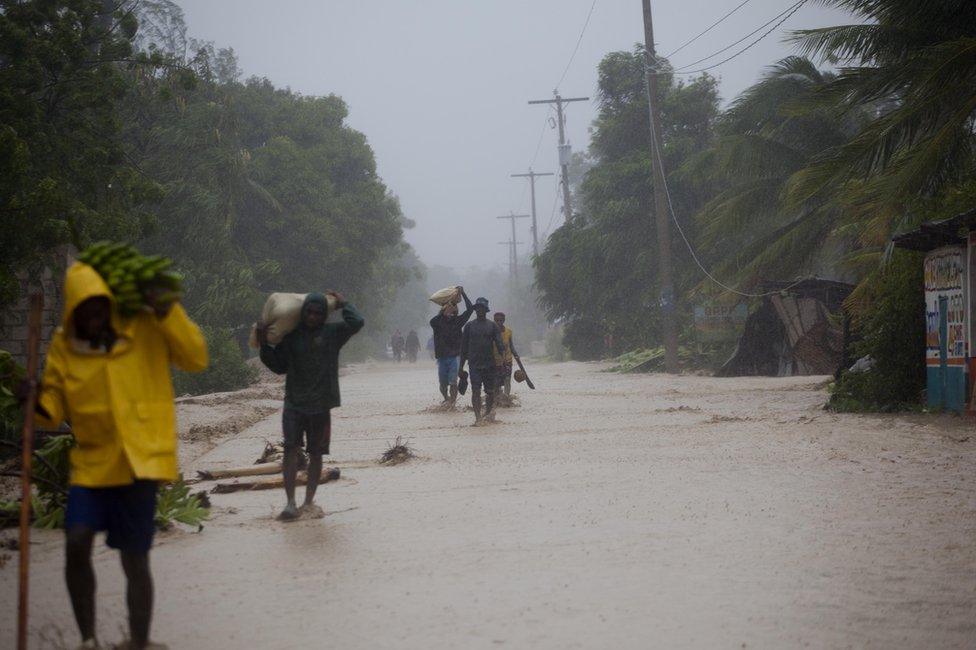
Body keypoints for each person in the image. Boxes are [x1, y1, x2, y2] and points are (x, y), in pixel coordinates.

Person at [33, 261, 208, 650]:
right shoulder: (65, 344)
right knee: (76, 540)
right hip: (92, 466)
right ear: (73, 311)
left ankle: (140, 641)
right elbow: (51, 412)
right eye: (84, 310)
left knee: (135, 558)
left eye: (99, 308)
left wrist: (167, 310)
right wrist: (31, 398)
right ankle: (88, 639)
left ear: (110, 305)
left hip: (139, 463)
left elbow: (196, 358)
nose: (93, 317)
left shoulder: (145, 327)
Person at [257, 292, 364, 521]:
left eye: (318, 313)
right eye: (309, 312)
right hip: (294, 404)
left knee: (316, 454)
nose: (313, 317)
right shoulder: (291, 337)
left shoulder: (333, 333)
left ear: (324, 315)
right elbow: (278, 366)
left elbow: (357, 322)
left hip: (321, 406)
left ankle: (308, 502)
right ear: (303, 312)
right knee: (289, 450)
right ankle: (290, 503)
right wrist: (264, 344)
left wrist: (344, 303)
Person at [459, 297, 506, 424]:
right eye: (477, 308)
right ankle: (477, 417)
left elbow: (500, 345)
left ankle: (487, 414)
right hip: (474, 364)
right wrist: (460, 368)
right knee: (475, 390)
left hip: (490, 364)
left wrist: (503, 362)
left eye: (482, 308)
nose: (479, 310)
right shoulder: (469, 327)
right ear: (475, 310)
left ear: (486, 310)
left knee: (490, 392)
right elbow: (463, 349)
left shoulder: (492, 326)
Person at [429, 288, 474, 404]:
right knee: (443, 384)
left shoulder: (458, 321)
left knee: (453, 382)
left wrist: (463, 293)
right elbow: (432, 321)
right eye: (448, 308)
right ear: (443, 310)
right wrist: (443, 311)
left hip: (455, 356)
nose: (451, 310)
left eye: (453, 308)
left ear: (455, 311)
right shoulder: (437, 322)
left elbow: (470, 309)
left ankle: (452, 403)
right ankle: (446, 398)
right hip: (442, 357)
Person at [492, 312, 520, 403]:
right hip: (495, 361)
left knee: (507, 379)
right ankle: (497, 400)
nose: (499, 322)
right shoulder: (491, 332)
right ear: (494, 321)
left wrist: (516, 355)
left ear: (504, 320)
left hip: (507, 360)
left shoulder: (508, 332)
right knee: (496, 382)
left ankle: (506, 398)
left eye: (501, 320)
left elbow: (511, 346)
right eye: (497, 320)